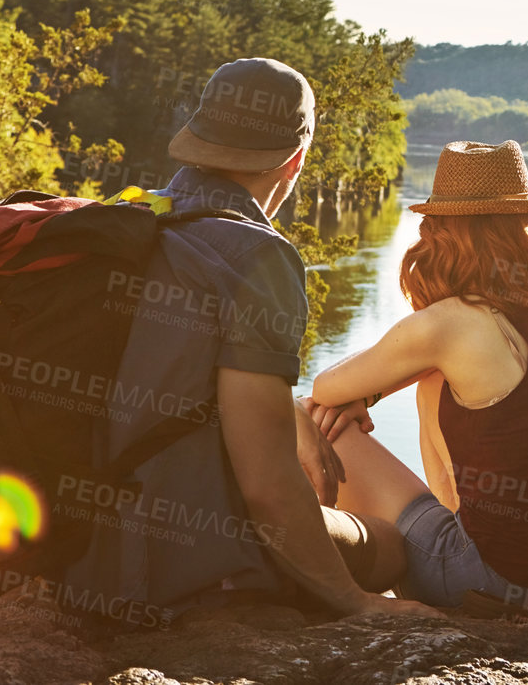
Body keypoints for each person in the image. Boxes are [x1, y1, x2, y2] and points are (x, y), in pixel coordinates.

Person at [56, 57, 432, 619]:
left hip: (68, 545)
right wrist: (354, 603)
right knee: (394, 546)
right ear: (295, 159)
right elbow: (266, 486)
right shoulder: (258, 255)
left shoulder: (128, 219)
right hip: (172, 561)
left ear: (196, 139)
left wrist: (290, 410)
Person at [305, 139, 528, 608]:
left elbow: (325, 388)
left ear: (443, 227)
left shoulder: (453, 321)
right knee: (432, 378)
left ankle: (314, 582)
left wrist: (361, 395)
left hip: (483, 584)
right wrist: (374, 394)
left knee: (311, 416)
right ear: (526, 223)